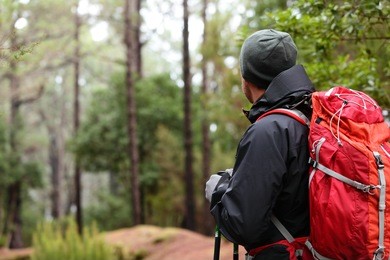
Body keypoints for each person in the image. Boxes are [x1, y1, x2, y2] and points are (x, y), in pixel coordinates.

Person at [205, 29, 315, 259]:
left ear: (247, 76)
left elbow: (243, 226)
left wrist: (217, 191)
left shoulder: (269, 131)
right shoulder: (314, 115)